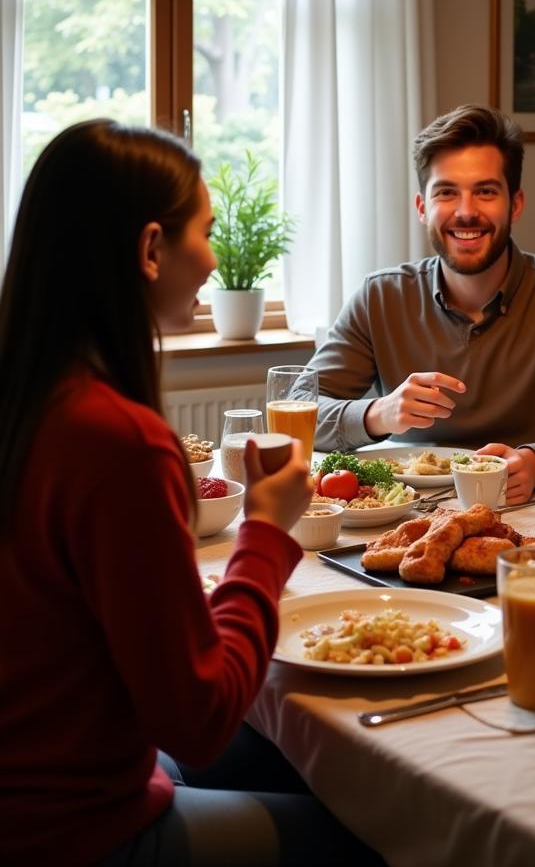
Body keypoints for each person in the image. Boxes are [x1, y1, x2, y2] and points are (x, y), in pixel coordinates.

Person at [0, 121, 379, 866]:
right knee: (384, 837)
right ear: (149, 249)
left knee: (277, 758)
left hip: (34, 790)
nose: (211, 259)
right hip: (76, 832)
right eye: (203, 232)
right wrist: (266, 534)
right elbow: (198, 719)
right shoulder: (116, 439)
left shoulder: (29, 399)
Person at [309, 104, 535, 503]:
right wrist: (377, 413)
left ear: (515, 204)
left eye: (485, 192)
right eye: (447, 192)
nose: (466, 212)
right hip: (412, 516)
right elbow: (297, 407)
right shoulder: (380, 297)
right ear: (422, 208)